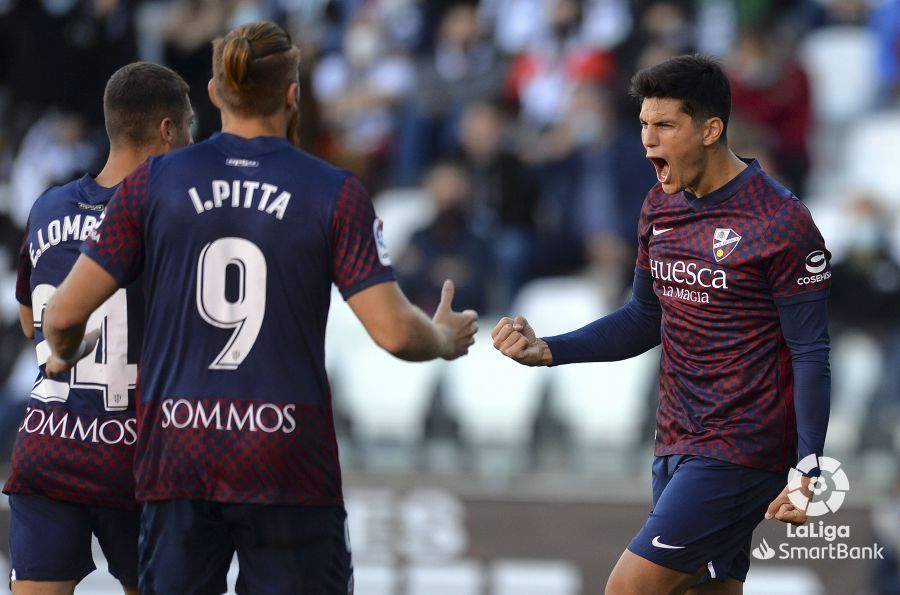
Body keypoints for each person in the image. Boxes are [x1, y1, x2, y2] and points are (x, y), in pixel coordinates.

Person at [42, 21, 478, 595]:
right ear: (293, 95)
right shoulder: (332, 191)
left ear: (216, 93)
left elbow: (64, 317)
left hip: (178, 451)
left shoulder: (151, 184)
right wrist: (444, 338)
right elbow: (395, 333)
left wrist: (68, 352)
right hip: (286, 456)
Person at [491, 54, 831, 595]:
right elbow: (643, 319)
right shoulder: (660, 206)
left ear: (711, 129)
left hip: (742, 449)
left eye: (665, 125)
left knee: (627, 589)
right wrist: (549, 350)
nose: (649, 140)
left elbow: (811, 350)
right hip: (676, 441)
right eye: (644, 124)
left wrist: (809, 467)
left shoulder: (780, 222)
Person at [5, 62, 193, 595]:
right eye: (190, 127)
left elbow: (29, 322)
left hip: (49, 442)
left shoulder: (48, 206)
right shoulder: (171, 215)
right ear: (167, 130)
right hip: (136, 456)